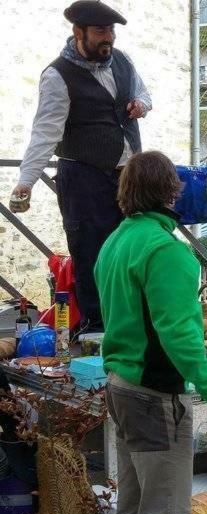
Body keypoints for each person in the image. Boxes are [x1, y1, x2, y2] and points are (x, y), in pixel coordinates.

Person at [95, 151, 207, 514]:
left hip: (121, 387)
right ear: (172, 192)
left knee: (132, 511)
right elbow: (179, 336)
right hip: (153, 396)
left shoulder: (115, 241)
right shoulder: (167, 250)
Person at [11, 0, 151, 333]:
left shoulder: (123, 60)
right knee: (91, 254)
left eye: (111, 31)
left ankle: (133, 327)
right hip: (84, 176)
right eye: (101, 31)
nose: (109, 38)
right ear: (78, 32)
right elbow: (45, 132)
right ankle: (95, 329)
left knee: (132, 252)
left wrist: (141, 105)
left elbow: (145, 93)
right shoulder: (57, 75)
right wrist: (26, 182)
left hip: (128, 176)